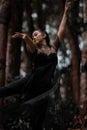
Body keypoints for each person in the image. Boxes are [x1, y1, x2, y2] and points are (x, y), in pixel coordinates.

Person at [0, 0, 71, 130]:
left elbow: (61, 30)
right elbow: (31, 46)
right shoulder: (36, 51)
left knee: (37, 121)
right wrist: (26, 37)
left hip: (43, 90)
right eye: (33, 36)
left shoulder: (54, 48)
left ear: (44, 35)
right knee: (5, 90)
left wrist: (66, 12)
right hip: (31, 81)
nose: (34, 37)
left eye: (36, 34)